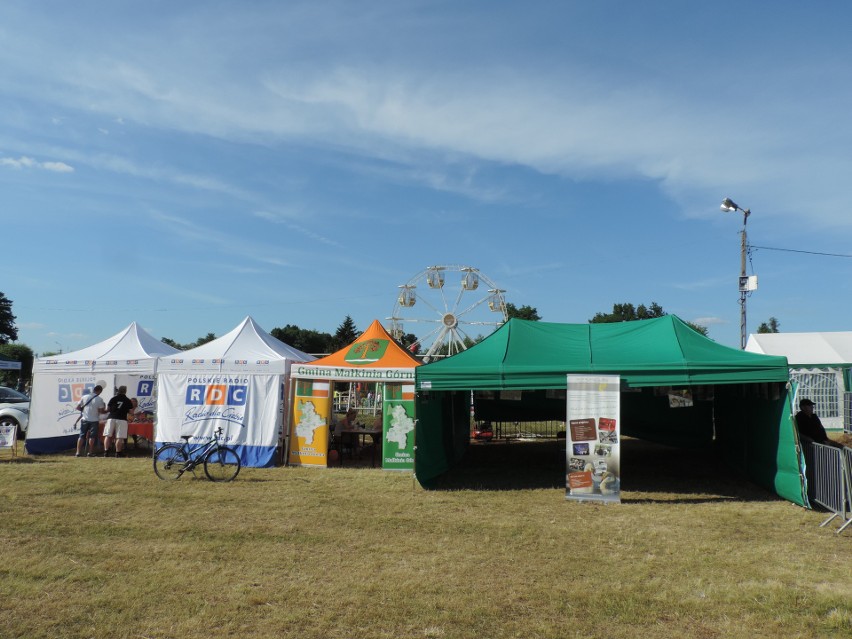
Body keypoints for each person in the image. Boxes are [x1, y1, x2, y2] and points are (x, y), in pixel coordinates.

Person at [102, 386, 134, 457]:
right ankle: (118, 453)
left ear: (118, 391)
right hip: (121, 419)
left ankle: (106, 452)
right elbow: (131, 412)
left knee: (108, 435)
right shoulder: (127, 400)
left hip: (111, 418)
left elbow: (108, 409)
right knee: (119, 437)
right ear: (125, 391)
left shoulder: (113, 398)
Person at [75, 385, 107, 457]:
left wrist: (84, 411)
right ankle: (90, 452)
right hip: (94, 420)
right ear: (99, 391)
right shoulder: (99, 399)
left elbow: (77, 407)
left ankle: (78, 452)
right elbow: (101, 411)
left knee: (81, 435)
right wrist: (107, 411)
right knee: (92, 437)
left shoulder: (84, 397)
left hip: (84, 419)